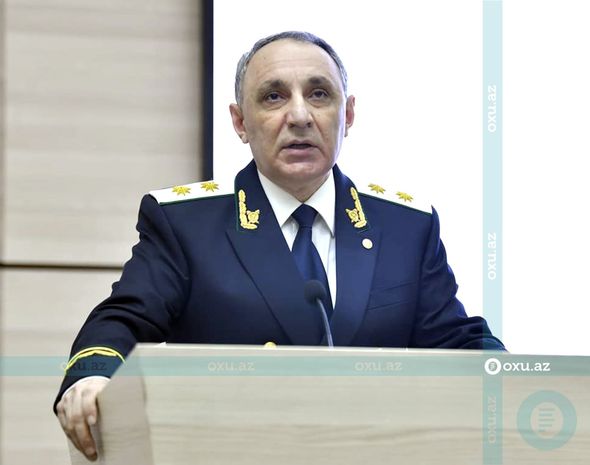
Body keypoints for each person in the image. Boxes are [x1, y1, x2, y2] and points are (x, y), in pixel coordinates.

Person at [55, 31, 505, 460]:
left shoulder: (405, 226)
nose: (300, 116)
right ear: (240, 122)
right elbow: (123, 321)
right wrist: (93, 377)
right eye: (273, 97)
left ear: (348, 114)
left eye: (319, 94)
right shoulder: (185, 224)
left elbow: (453, 338)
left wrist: (510, 376)